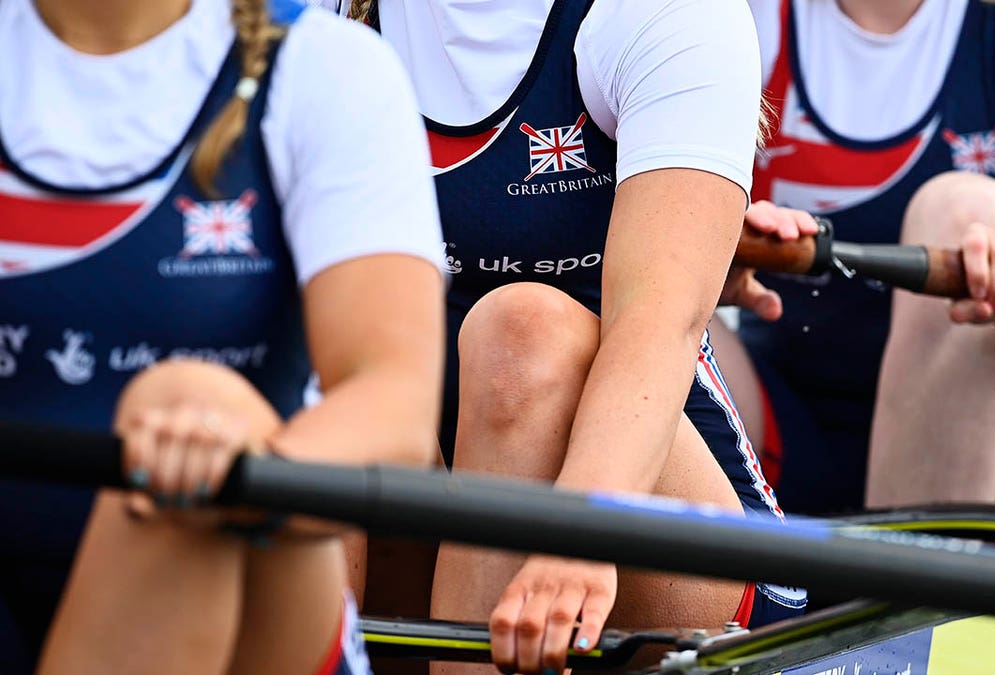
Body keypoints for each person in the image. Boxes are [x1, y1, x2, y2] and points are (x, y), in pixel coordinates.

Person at [331, 0, 806, 673]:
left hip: (655, 539)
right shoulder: (311, 22)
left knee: (520, 332)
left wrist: (579, 532)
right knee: (325, 383)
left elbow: (657, 324)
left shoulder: (660, 13)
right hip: (427, 507)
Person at [0, 0, 444, 672]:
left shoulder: (324, 69)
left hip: (242, 579)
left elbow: (393, 407)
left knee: (189, 405)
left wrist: (231, 463)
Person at [715, 0, 995, 516]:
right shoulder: (735, 12)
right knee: (626, 295)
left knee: (968, 217)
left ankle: (908, 583)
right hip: (784, 428)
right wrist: (703, 259)